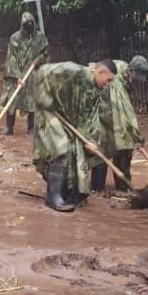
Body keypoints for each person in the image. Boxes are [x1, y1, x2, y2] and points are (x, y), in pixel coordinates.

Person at [32, 60, 117, 212]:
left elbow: (91, 117)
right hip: (50, 112)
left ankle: (68, 191)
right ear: (99, 72)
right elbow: (43, 71)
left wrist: (90, 140)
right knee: (61, 147)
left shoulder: (97, 90)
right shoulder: (73, 71)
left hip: (69, 120)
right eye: (109, 79)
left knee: (79, 151)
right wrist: (44, 99)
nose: (108, 84)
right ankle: (53, 198)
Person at [91, 56, 148, 192]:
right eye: (136, 76)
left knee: (123, 145)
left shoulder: (125, 71)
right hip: (102, 111)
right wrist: (135, 137)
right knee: (106, 144)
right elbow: (123, 115)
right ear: (131, 70)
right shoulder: (116, 81)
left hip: (110, 109)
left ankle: (122, 187)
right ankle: (98, 188)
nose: (137, 81)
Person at [1, 12, 49, 135]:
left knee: (32, 100)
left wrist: (38, 60)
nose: (28, 28)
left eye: (30, 25)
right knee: (12, 99)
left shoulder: (40, 38)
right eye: (26, 25)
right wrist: (17, 76)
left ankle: (31, 127)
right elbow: (11, 58)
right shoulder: (15, 38)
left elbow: (45, 53)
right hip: (16, 73)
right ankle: (9, 127)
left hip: (33, 73)